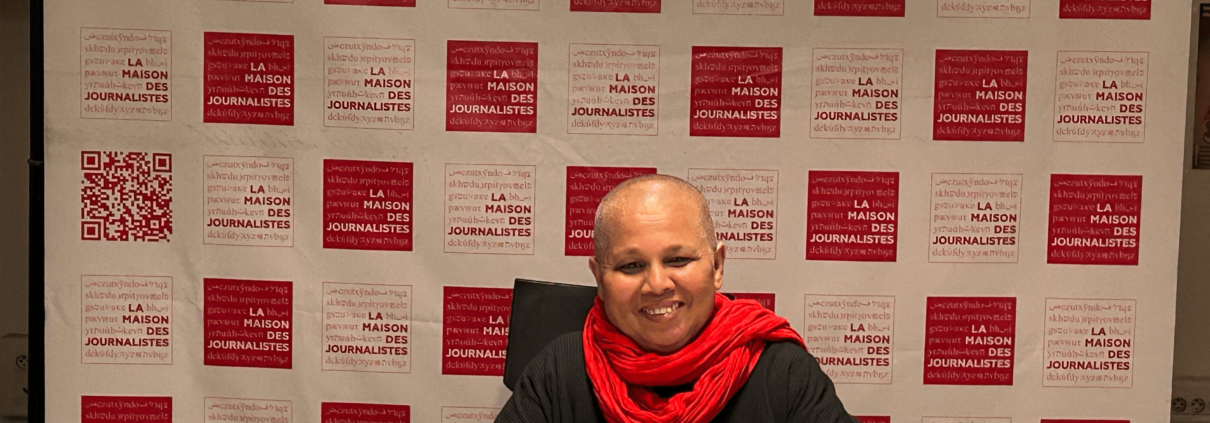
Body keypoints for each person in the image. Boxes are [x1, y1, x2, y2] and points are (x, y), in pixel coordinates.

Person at [496, 174, 858, 423]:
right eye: (631, 265)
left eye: (678, 260)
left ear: (717, 266)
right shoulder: (560, 369)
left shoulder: (782, 371)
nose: (657, 284)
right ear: (599, 279)